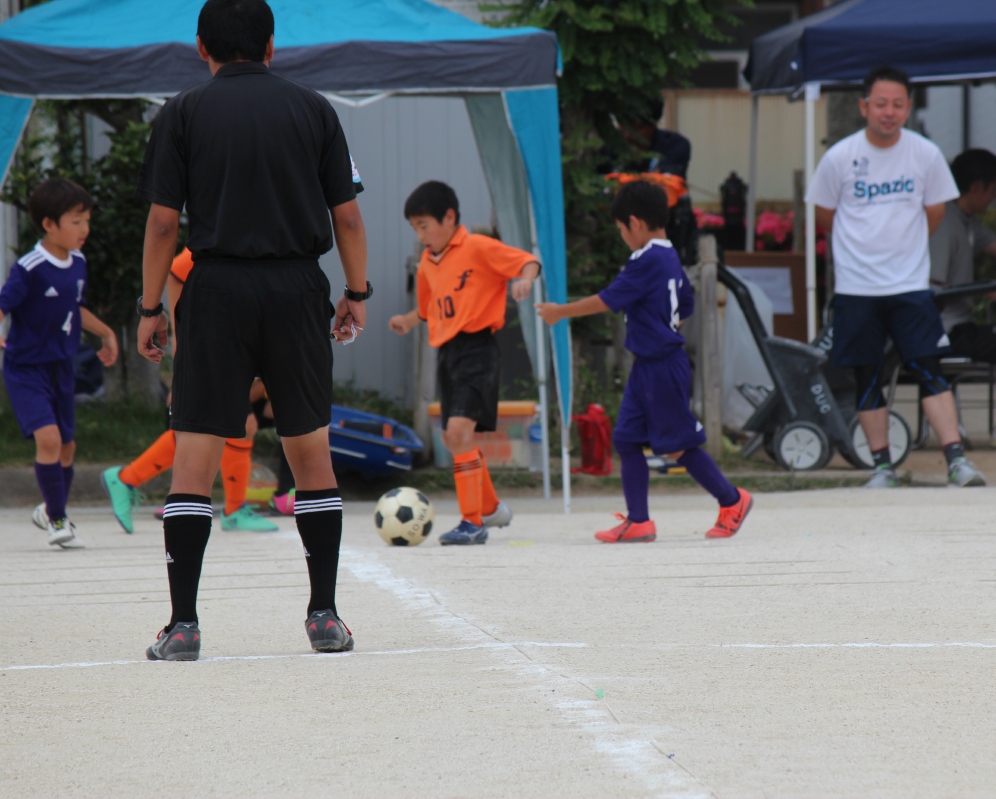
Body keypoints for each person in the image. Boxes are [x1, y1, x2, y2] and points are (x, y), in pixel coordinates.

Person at [135, 0, 369, 661]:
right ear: (271, 47)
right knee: (310, 450)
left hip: (214, 288)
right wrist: (356, 292)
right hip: (297, 287)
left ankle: (183, 625)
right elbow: (348, 218)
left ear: (201, 47)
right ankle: (324, 615)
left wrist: (151, 307)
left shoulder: (181, 112)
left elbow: (163, 223)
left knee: (195, 454)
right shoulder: (315, 110)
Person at [536, 180, 753, 543]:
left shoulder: (645, 258)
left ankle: (732, 500)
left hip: (662, 365)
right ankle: (639, 521)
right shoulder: (669, 255)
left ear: (634, 223)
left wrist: (561, 312)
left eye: (621, 229)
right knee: (626, 438)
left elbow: (608, 299)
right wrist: (663, 323)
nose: (623, 236)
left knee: (678, 445)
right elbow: (685, 302)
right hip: (649, 365)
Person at [805, 65, 986, 489]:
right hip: (856, 288)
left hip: (910, 287)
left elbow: (935, 212)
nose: (889, 112)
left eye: (898, 105)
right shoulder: (840, 157)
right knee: (867, 375)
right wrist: (862, 247)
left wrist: (903, 249)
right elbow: (824, 215)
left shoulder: (925, 154)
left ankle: (957, 461)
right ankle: (881, 467)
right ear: (864, 106)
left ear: (908, 108)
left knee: (929, 368)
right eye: (881, 104)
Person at [388, 181, 539, 545]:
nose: (420, 234)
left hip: (478, 350)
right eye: (415, 228)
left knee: (457, 434)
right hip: (448, 354)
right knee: (453, 437)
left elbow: (528, 261)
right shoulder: (427, 263)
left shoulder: (478, 247)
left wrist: (524, 281)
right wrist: (409, 320)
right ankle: (491, 508)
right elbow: (429, 307)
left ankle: (472, 523)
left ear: (449, 218)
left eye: (424, 225)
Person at [101, 247, 278, 533]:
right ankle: (232, 510)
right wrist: (184, 350)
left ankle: (127, 478)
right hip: (211, 337)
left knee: (226, 424)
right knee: (224, 424)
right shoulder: (227, 230)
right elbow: (177, 271)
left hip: (230, 336)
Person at [0, 178, 118, 548]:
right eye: (76, 221)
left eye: (87, 221)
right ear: (49, 224)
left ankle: (50, 510)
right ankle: (58, 519)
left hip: (61, 366)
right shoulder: (30, 267)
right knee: (49, 439)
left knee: (68, 447)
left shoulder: (78, 263)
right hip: (26, 368)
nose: (85, 229)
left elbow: (74, 308)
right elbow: (4, 304)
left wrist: (106, 333)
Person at [929, 148, 996, 447]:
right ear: (977, 187)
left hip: (961, 326)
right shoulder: (944, 224)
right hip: (946, 331)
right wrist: (980, 289)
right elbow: (933, 286)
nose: (995, 196)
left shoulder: (967, 221)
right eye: (994, 188)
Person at [624, 97, 692, 180]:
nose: (627, 134)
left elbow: (665, 183)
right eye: (622, 125)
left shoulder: (674, 144)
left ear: (653, 124)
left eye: (636, 128)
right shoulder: (612, 147)